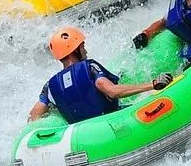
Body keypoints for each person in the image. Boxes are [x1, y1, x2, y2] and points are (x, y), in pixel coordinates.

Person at [28, 27, 173, 123]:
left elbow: (33, 117)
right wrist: (152, 84)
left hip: (83, 136)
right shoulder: (89, 67)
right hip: (113, 121)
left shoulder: (50, 87)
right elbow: (111, 91)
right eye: (82, 46)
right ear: (74, 50)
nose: (85, 50)